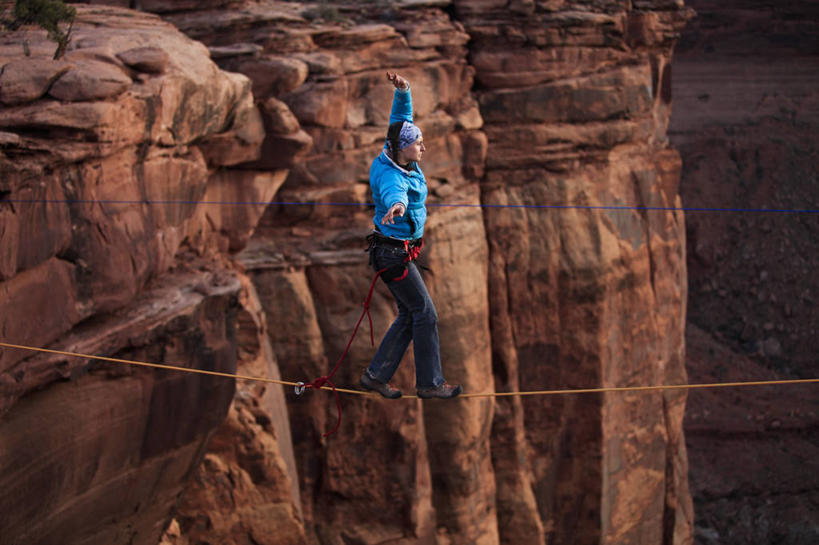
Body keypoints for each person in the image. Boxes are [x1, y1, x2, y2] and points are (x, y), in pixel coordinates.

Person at [359, 72, 463, 400]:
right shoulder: (393, 177)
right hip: (393, 255)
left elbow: (400, 119)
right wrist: (398, 206)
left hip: (394, 252)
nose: (423, 147)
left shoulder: (396, 149)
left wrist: (403, 91)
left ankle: (376, 376)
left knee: (409, 313)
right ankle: (430, 384)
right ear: (404, 148)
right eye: (418, 143)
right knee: (425, 313)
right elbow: (395, 194)